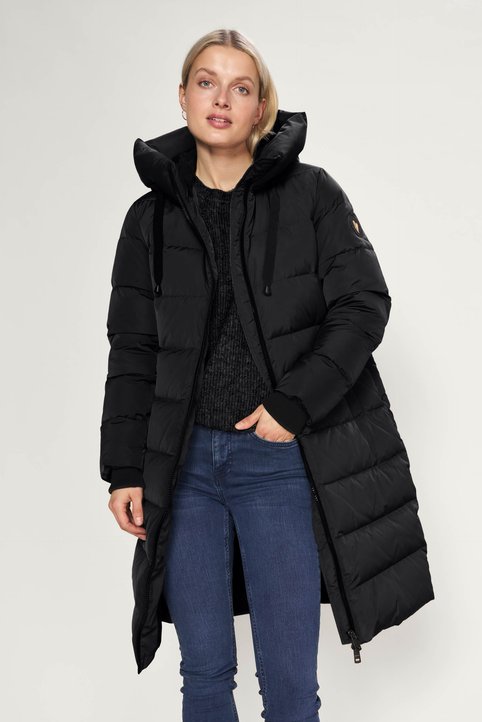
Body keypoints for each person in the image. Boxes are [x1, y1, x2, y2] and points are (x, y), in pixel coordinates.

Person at [100, 28, 435, 722]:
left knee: (288, 686)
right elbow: (132, 348)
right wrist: (124, 470)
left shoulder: (311, 195)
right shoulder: (149, 220)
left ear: (261, 108)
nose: (221, 99)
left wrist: (293, 405)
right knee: (204, 676)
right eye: (207, 82)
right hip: (184, 469)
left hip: (276, 463)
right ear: (183, 97)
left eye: (241, 87)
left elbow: (363, 304)